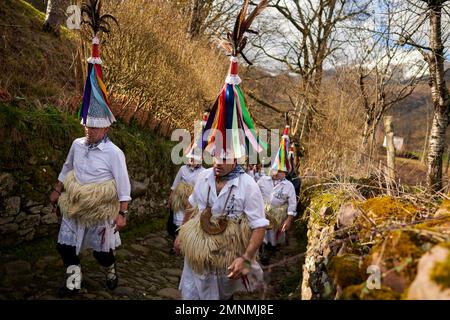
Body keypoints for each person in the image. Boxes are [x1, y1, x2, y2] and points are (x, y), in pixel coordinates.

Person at [173, 1, 269, 299]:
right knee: (191, 298)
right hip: (196, 258)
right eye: (214, 154)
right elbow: (192, 205)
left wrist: (247, 257)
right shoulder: (202, 176)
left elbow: (259, 226)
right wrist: (182, 233)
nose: (217, 161)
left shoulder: (248, 186)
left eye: (224, 157)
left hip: (225, 259)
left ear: (237, 156)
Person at [49, 4, 129, 296]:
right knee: (65, 247)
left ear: (105, 128)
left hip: (99, 210)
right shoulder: (77, 144)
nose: (88, 130)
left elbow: (123, 185)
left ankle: (110, 267)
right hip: (74, 205)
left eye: (93, 128)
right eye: (86, 126)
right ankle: (74, 281)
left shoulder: (114, 154)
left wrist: (122, 213)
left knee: (100, 252)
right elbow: (67, 167)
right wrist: (58, 190)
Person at [257, 126, 297, 265]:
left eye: (282, 171)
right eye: (277, 170)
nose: (279, 173)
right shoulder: (262, 181)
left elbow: (292, 204)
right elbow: (252, 195)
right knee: (259, 236)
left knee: (272, 239)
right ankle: (261, 253)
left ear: (285, 172)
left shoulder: (289, 186)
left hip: (277, 217)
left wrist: (288, 220)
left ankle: (270, 251)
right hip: (261, 214)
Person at [167, 149, 205, 240]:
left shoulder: (204, 172)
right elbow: (174, 185)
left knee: (189, 222)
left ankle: (184, 242)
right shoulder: (183, 169)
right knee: (177, 223)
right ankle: (176, 240)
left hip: (193, 202)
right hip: (179, 201)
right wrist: (170, 200)